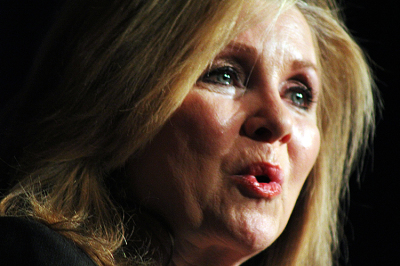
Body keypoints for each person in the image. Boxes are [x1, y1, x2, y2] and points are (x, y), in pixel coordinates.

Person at [0, 0, 376, 265]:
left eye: (298, 94)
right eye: (225, 74)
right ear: (123, 97)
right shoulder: (36, 254)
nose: (278, 122)